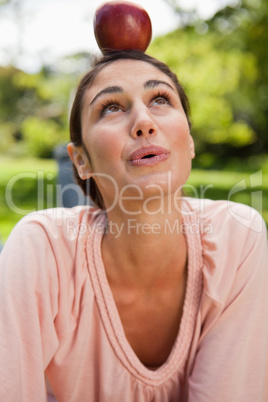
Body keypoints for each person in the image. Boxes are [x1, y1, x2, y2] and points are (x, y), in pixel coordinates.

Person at [0, 50, 267, 402]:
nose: (143, 121)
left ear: (189, 142)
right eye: (111, 106)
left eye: (160, 99)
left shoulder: (238, 236)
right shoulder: (39, 248)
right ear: (80, 160)